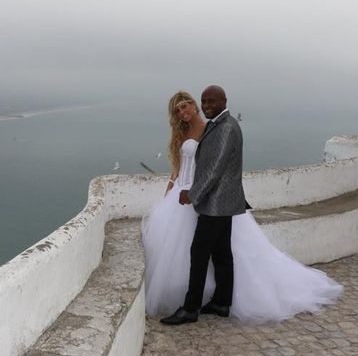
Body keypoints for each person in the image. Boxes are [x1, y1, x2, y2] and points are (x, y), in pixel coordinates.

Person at [142, 87, 342, 325]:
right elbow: (192, 165)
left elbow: (214, 169)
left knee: (199, 252)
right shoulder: (216, 126)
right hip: (213, 199)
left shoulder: (224, 128)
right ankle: (221, 302)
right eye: (203, 101)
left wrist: (192, 195)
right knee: (222, 253)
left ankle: (191, 308)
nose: (205, 106)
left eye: (207, 102)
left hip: (212, 201)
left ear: (220, 102)